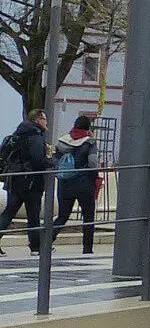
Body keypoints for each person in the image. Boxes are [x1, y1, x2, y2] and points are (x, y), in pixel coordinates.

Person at [0, 108, 51, 255]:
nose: (46, 122)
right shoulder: (36, 137)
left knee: (9, 212)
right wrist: (51, 161)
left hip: (15, 179)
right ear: (38, 120)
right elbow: (37, 160)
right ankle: (35, 247)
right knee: (33, 215)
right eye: (44, 119)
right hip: (30, 181)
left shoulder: (18, 134)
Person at [49, 112, 99, 255]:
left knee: (63, 215)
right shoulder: (89, 142)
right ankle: (87, 248)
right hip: (84, 184)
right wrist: (94, 178)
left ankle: (46, 241)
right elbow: (93, 162)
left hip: (65, 184)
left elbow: (54, 161)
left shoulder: (62, 141)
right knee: (88, 217)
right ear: (87, 128)